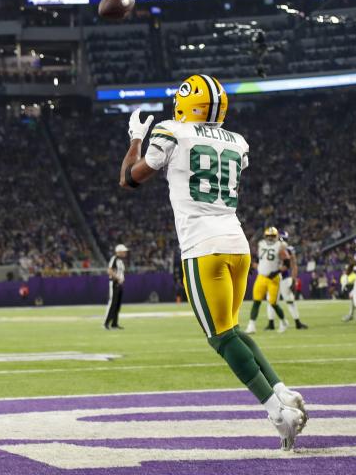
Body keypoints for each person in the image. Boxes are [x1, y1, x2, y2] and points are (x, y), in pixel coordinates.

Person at [118, 74, 306, 450]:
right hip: (238, 245)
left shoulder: (172, 131)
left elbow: (129, 178)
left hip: (203, 248)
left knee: (220, 337)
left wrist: (136, 137)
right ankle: (283, 391)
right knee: (233, 330)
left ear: (189, 102)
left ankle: (276, 413)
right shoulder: (238, 141)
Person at [246, 227, 288, 334]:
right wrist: (251, 265)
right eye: (268, 236)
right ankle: (251, 326)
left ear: (276, 236)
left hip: (273, 278)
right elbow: (258, 259)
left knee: (273, 303)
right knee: (256, 301)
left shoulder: (280, 246)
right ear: (265, 236)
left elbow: (287, 264)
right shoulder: (261, 244)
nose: (270, 238)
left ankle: (283, 321)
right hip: (261, 277)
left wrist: (276, 272)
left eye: (272, 236)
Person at [266, 229, 307, 330]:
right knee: (288, 300)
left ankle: (271, 323)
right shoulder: (287, 249)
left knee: (273, 301)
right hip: (282, 278)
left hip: (277, 278)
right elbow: (293, 265)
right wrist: (293, 279)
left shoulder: (272, 248)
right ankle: (297, 322)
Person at [103, 244, 127, 330]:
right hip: (114, 283)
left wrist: (122, 279)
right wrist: (118, 278)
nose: (125, 253)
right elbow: (109, 270)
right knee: (112, 303)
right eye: (123, 251)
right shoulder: (114, 259)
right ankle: (106, 323)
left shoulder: (120, 261)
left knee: (117, 305)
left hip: (119, 284)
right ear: (119, 252)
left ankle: (114, 323)